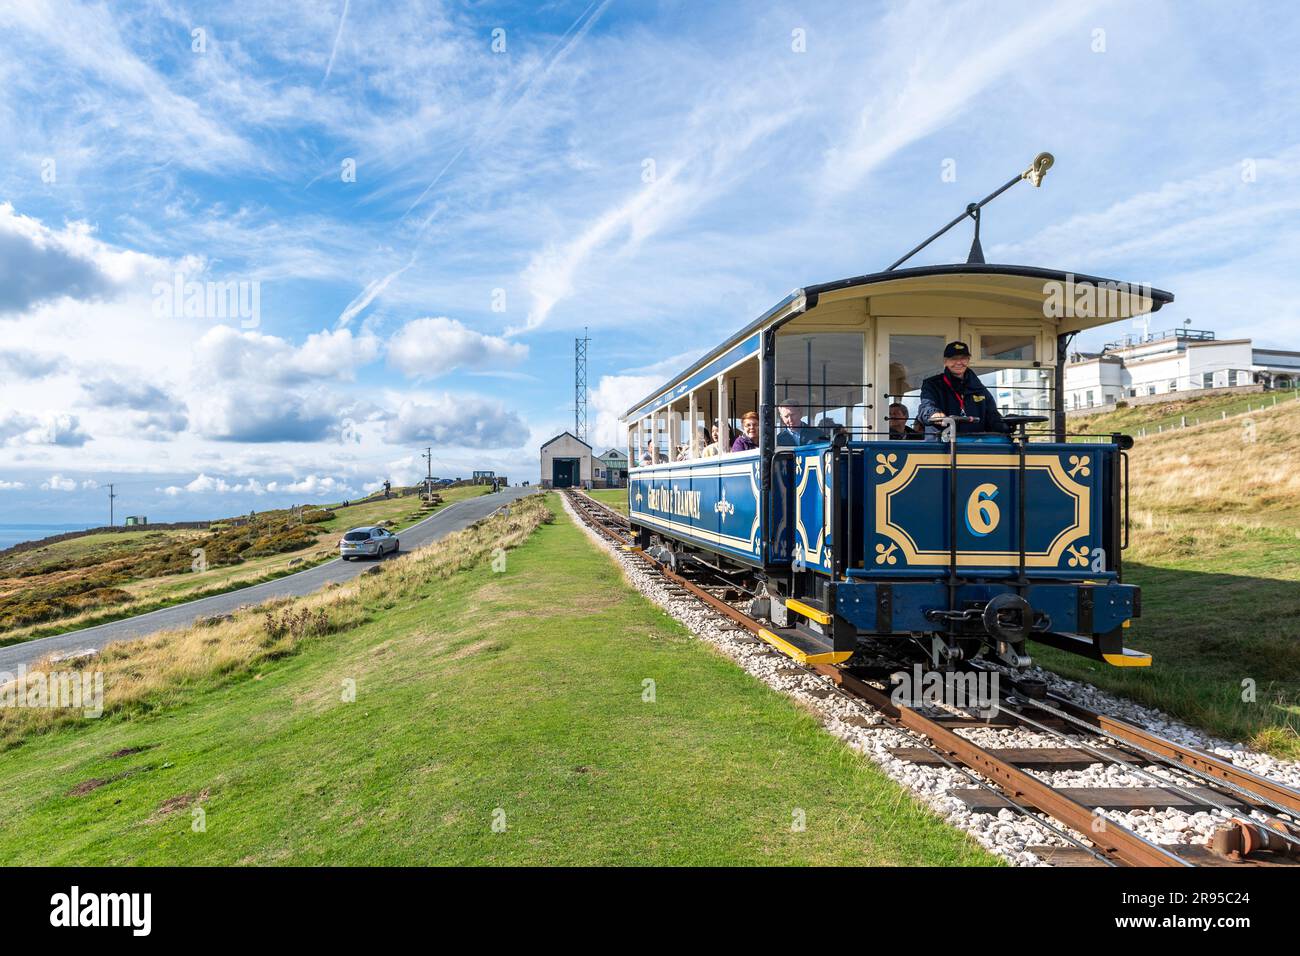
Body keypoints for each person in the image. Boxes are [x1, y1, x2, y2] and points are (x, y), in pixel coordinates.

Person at [917, 341, 1008, 437]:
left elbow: (993, 417)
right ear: (945, 361)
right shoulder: (932, 385)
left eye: (963, 358)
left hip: (972, 446)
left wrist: (1008, 425)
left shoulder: (979, 388)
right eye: (954, 358)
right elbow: (926, 407)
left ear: (968, 360)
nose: (959, 362)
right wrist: (933, 413)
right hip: (940, 446)